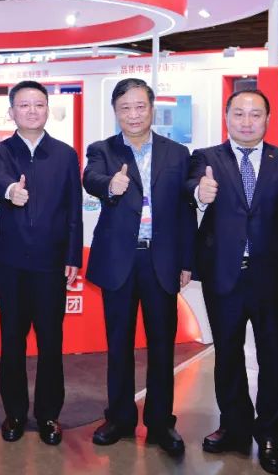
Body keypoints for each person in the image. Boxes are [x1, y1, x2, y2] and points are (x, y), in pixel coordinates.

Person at [188, 90, 278, 474]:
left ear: (268, 119)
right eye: (238, 113)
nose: (246, 121)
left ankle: (271, 436)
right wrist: (200, 194)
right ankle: (235, 426)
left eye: (255, 114)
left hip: (273, 279)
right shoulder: (206, 158)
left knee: (275, 359)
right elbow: (189, 190)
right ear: (226, 117)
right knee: (228, 355)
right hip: (224, 277)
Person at [82, 78, 194, 456]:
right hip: (120, 260)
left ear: (152, 108)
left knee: (162, 346)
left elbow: (185, 211)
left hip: (161, 261)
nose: (133, 114)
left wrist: (187, 261)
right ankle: (119, 418)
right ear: (116, 112)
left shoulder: (177, 153)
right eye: (125, 108)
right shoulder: (102, 150)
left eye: (140, 106)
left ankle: (161, 423)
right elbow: (91, 178)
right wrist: (109, 185)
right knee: (119, 345)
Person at [0, 80, 82, 446]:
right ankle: (13, 412)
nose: (31, 111)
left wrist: (72, 255)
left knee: (50, 341)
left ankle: (48, 414)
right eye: (24, 105)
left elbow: (73, 209)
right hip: (12, 262)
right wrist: (12, 190)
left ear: (47, 110)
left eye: (38, 104)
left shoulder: (65, 154)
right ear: (11, 112)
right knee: (11, 339)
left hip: (51, 263)